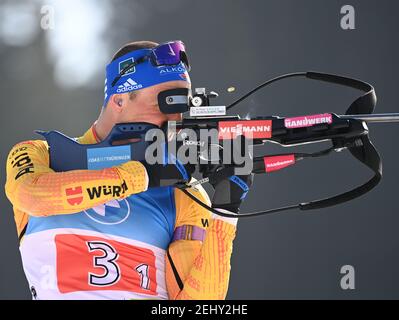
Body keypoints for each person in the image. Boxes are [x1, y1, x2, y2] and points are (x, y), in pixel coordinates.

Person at [5, 40, 252, 300]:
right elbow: (31, 195)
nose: (175, 122)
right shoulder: (41, 154)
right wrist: (141, 176)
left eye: (182, 109)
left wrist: (226, 210)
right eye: (164, 105)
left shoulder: (183, 193)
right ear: (119, 99)